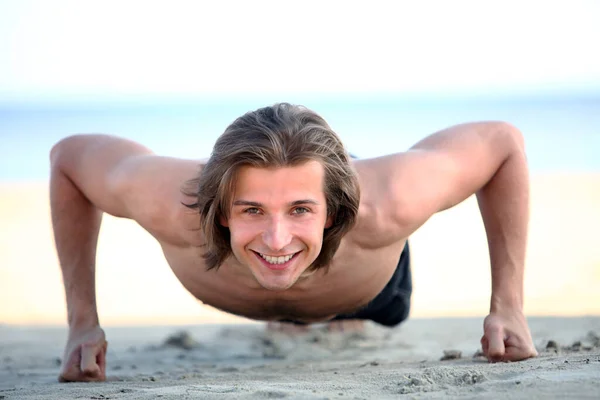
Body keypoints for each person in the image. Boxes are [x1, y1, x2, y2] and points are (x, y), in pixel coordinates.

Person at [50, 103, 538, 382]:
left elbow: (502, 141)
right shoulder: (169, 202)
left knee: (374, 298)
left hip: (369, 292)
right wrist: (82, 324)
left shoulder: (389, 202)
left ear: (334, 210)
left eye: (300, 210)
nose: (277, 239)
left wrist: (508, 306)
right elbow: (69, 157)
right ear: (219, 209)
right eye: (251, 210)